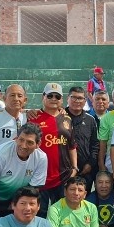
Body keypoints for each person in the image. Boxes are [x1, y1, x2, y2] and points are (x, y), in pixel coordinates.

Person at [28, 83, 78, 217]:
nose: (54, 99)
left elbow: (72, 146)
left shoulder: (67, 118)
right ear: (43, 97)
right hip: (39, 177)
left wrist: (75, 168)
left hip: (63, 176)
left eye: (57, 96)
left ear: (62, 99)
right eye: (50, 96)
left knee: (62, 214)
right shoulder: (33, 118)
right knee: (39, 214)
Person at [65, 87, 100, 191]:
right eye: (74, 97)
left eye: (80, 98)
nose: (77, 101)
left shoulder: (90, 120)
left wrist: (90, 164)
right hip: (64, 170)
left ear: (85, 101)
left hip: (85, 170)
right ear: (68, 98)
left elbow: (95, 145)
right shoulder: (60, 116)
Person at [0, 84, 28, 155]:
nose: (16, 99)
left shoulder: (26, 117)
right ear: (4, 98)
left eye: (19, 96)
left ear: (25, 100)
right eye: (12, 95)